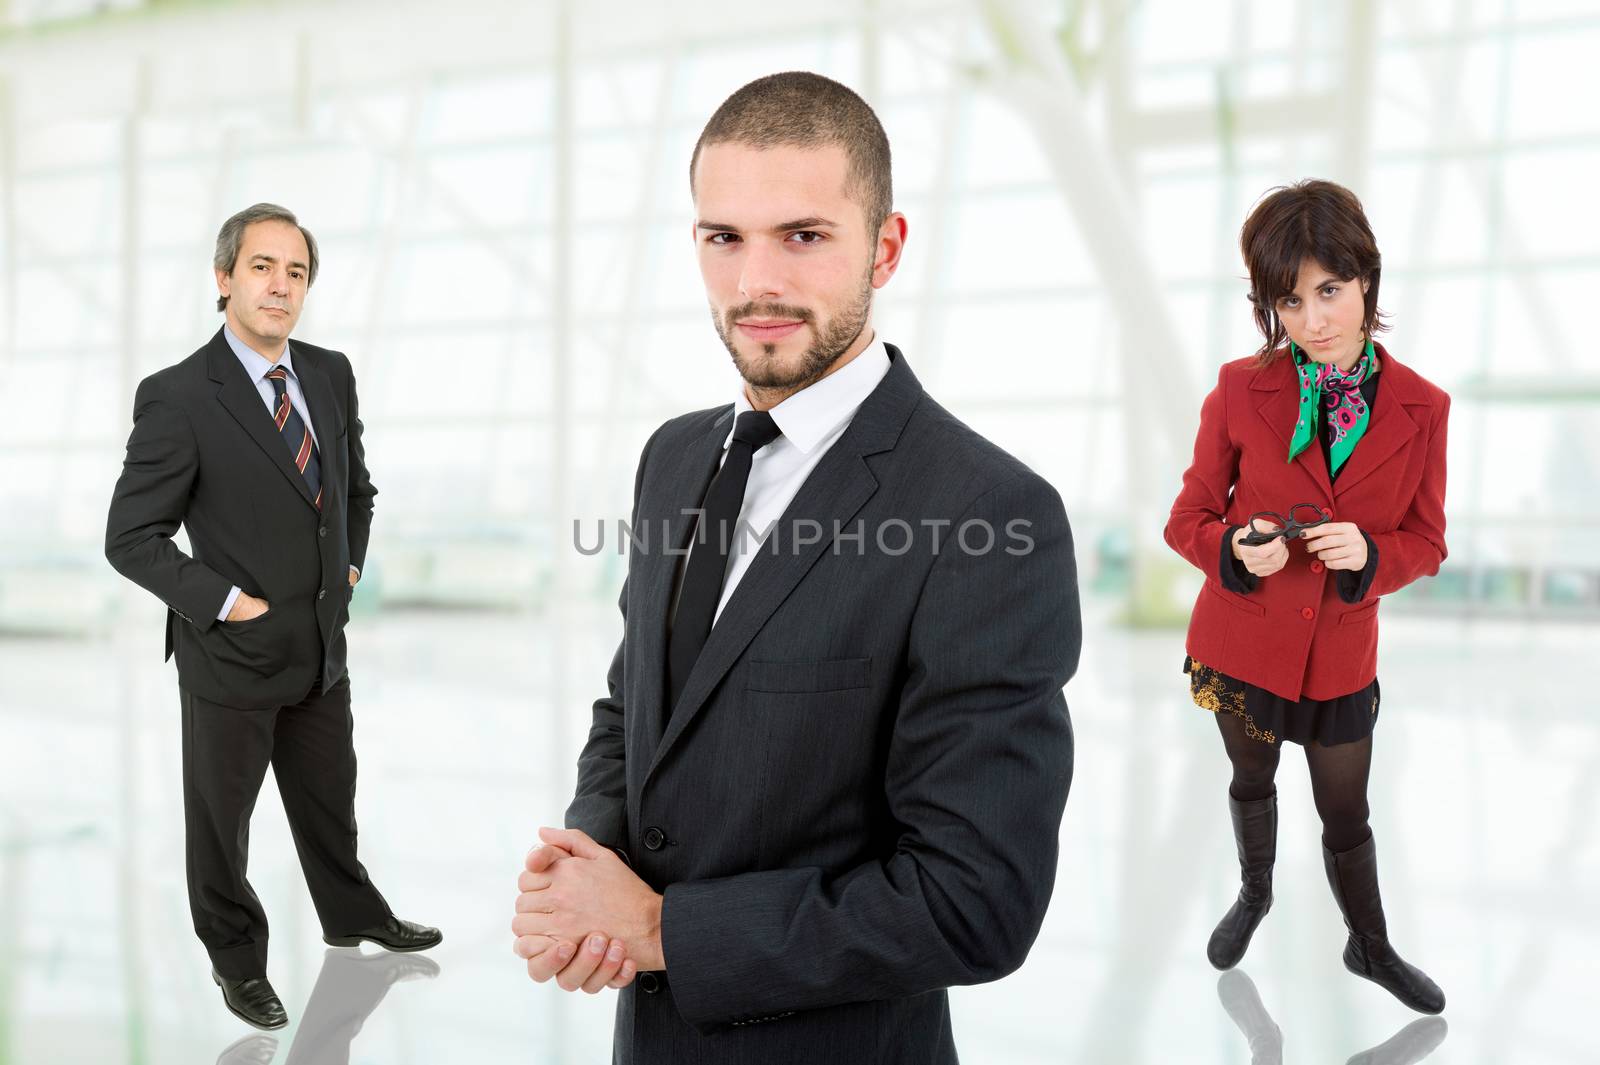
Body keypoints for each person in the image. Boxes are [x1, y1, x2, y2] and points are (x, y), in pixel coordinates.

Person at [509, 72, 1080, 1063]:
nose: (755, 282)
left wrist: (656, 930)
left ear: (886, 248)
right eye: (722, 238)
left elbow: (974, 903)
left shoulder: (988, 512)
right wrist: (586, 864)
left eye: (803, 236)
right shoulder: (673, 460)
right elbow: (636, 712)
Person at [105, 203, 440, 1031]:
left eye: (295, 272)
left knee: (331, 797)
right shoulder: (180, 395)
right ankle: (235, 959)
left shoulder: (328, 373)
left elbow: (355, 489)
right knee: (223, 825)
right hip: (233, 654)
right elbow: (130, 537)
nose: (279, 286)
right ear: (224, 280)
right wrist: (226, 602)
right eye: (262, 267)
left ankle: (351, 912)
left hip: (322, 645)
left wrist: (350, 565)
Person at [1165, 179, 1449, 1014]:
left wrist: (1370, 552)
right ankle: (1255, 893)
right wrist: (1232, 549)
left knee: (1345, 811)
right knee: (1251, 778)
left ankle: (1370, 942)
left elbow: (1428, 543)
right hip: (1242, 639)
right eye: (1289, 300)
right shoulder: (1237, 388)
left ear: (1367, 280)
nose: (1313, 320)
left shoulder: (1422, 407)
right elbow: (1188, 515)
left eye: (1330, 290)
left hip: (1339, 652)